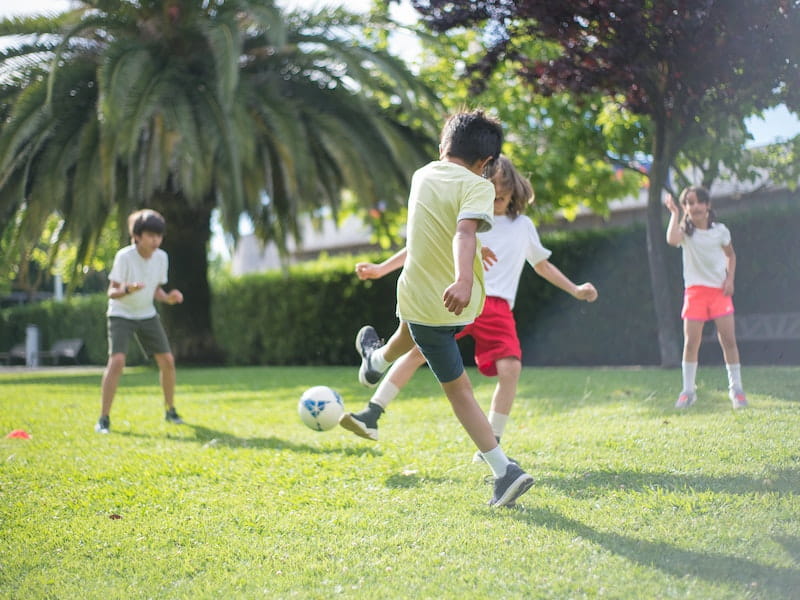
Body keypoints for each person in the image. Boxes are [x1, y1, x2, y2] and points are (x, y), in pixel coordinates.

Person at [341, 155, 598, 463]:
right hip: (460, 300)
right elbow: (420, 246)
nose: (498, 190)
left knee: (511, 369)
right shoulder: (469, 217)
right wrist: (382, 269)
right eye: (492, 183)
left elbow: (542, 265)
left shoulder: (523, 226)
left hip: (498, 307)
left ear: (515, 189)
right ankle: (371, 413)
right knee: (417, 351)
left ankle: (492, 441)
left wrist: (575, 289)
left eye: (504, 184)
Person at [344, 109, 534, 507]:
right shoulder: (477, 186)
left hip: (415, 296)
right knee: (459, 389)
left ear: (444, 145)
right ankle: (504, 471)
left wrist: (385, 268)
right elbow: (462, 232)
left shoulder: (422, 176)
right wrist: (465, 278)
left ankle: (374, 360)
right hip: (449, 304)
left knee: (405, 335)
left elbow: (432, 234)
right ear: (486, 164)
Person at [95, 209, 186, 433]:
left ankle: (170, 410)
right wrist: (128, 288)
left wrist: (169, 298)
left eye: (159, 235)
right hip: (121, 313)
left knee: (167, 361)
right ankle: (103, 419)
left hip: (146, 313)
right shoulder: (124, 257)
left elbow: (157, 291)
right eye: (150, 235)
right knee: (117, 362)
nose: (156, 240)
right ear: (137, 236)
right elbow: (112, 291)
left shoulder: (162, 257)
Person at [665, 186, 747, 410]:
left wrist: (730, 279)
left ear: (708, 205)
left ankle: (736, 390)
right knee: (691, 343)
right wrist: (674, 214)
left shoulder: (721, 231)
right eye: (690, 203)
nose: (695, 206)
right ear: (686, 208)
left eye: (699, 202)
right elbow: (672, 239)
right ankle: (688, 392)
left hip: (719, 293)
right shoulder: (685, 234)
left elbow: (730, 255)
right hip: (695, 293)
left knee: (728, 341)